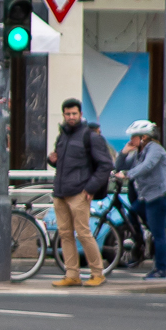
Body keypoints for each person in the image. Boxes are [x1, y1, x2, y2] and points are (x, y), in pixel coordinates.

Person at [49, 97, 114, 287]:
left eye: (74, 114)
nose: (71, 117)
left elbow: (106, 165)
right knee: (65, 234)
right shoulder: (62, 136)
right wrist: (52, 160)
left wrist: (90, 188)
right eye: (68, 114)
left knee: (83, 233)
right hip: (60, 191)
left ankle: (97, 273)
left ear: (80, 114)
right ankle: (72, 274)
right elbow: (62, 161)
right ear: (63, 115)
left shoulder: (90, 136)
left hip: (79, 191)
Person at [120, 119, 166, 281]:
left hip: (161, 195)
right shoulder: (138, 152)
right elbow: (121, 166)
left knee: (158, 232)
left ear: (144, 137)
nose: (131, 140)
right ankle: (140, 242)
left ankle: (160, 270)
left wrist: (127, 175)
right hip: (148, 196)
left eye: (133, 137)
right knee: (133, 210)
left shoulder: (155, 150)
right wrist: (124, 153)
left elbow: (147, 166)